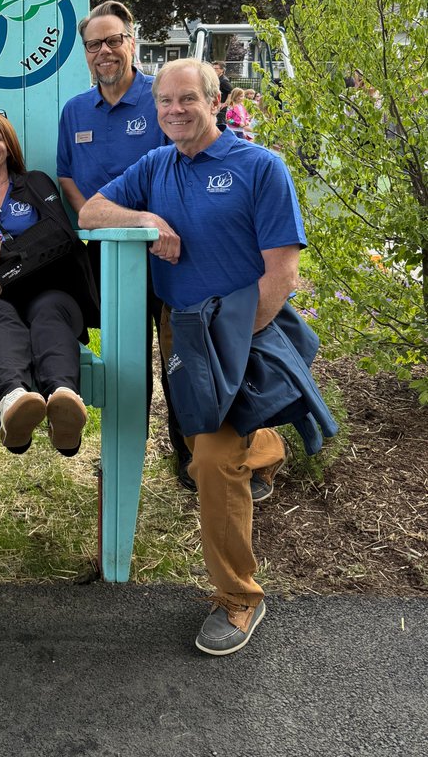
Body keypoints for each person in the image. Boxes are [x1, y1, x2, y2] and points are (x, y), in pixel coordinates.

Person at [79, 58, 307, 656]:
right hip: (184, 332)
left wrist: (232, 347)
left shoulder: (261, 168)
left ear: (215, 100)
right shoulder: (156, 165)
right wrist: (147, 219)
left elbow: (281, 274)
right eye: (164, 103)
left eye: (187, 100)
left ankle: (240, 599)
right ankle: (267, 446)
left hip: (247, 331)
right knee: (210, 441)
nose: (174, 111)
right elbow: (89, 213)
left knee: (207, 458)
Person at [56, 0, 191, 483]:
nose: (105, 51)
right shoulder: (75, 111)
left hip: (173, 254)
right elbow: (67, 176)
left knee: (182, 356)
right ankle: (124, 452)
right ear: (86, 53)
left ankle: (190, 454)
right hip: (110, 257)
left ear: (132, 43)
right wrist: (97, 222)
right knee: (126, 360)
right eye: (95, 44)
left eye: (115, 40)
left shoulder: (163, 100)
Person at [0, 111, 99, 455]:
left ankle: (64, 402)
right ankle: (14, 403)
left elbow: (59, 234)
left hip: (45, 290)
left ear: (9, 145)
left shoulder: (34, 183)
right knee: (2, 320)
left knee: (50, 313)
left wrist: (4, 267)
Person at [211, 61, 232, 128]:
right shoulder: (217, 79)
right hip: (216, 106)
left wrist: (225, 103)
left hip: (221, 109)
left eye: (216, 68)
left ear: (222, 70)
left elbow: (231, 91)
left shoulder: (223, 81)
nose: (214, 70)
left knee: (220, 126)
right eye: (213, 68)